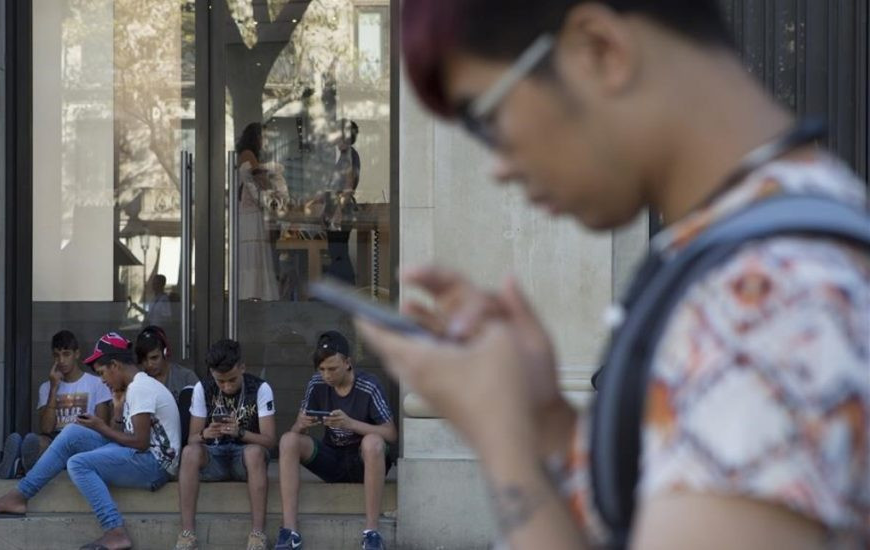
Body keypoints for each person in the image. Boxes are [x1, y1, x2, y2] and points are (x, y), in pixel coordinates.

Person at [357, 1, 870, 549]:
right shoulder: (775, 240)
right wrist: (546, 419)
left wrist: (499, 436)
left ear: (600, 50)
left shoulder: (766, 298)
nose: (498, 165)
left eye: (487, 119)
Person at [0, 333, 181, 550]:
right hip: (140, 455)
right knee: (71, 433)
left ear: (114, 365)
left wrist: (101, 427)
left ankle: (115, 531)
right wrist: (116, 410)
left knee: (78, 464)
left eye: (102, 373)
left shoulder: (140, 388)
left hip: (155, 466)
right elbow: (127, 437)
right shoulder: (133, 387)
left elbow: (140, 442)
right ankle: (19, 496)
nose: (103, 380)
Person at [275, 331, 396, 550]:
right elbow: (296, 432)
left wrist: (351, 424)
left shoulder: (368, 384)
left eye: (332, 369)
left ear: (348, 363)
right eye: (321, 370)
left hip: (363, 461)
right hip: (332, 459)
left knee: (373, 443)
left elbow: (390, 433)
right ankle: (290, 532)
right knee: (288, 440)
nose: (326, 375)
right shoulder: (317, 383)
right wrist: (300, 424)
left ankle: (371, 533)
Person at [175, 339, 276, 550]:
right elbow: (192, 439)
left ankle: (257, 533)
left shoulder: (260, 388)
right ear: (211, 373)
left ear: (242, 367)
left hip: (246, 459)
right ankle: (187, 533)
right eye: (221, 381)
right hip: (214, 455)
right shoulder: (202, 388)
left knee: (255, 453)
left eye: (232, 379)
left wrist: (241, 433)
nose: (227, 386)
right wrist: (205, 434)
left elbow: (269, 441)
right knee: (190, 452)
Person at [0, 330, 112, 478]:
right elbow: (46, 427)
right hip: (54, 438)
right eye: (57, 355)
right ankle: (22, 463)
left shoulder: (97, 383)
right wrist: (54, 389)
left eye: (66, 354)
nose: (61, 360)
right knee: (37, 441)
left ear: (77, 354)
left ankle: (20, 466)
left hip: (82, 437)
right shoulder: (47, 387)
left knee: (59, 450)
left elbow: (101, 426)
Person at [236, 122, 280, 301]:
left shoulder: (245, 155)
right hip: (251, 213)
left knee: (254, 256)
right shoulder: (248, 155)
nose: (265, 141)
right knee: (255, 255)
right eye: (263, 137)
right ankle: (254, 295)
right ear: (256, 138)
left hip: (249, 211)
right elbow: (260, 178)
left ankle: (252, 294)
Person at [324, 119, 361, 285]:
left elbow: (348, 186)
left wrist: (338, 211)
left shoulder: (349, 157)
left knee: (338, 253)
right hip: (337, 209)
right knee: (338, 253)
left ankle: (346, 289)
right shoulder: (346, 156)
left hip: (341, 211)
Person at [136, 325, 199, 401]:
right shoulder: (137, 382)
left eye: (154, 358)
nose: (149, 364)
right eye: (144, 360)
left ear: (165, 353)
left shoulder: (186, 377)